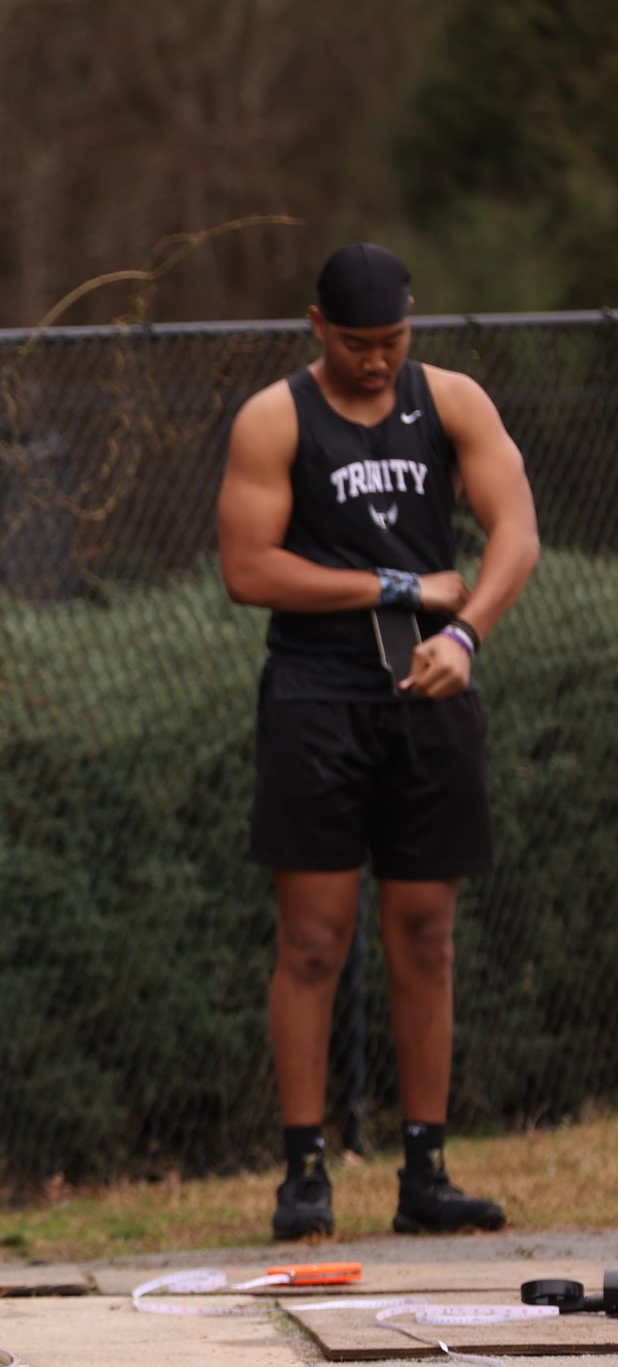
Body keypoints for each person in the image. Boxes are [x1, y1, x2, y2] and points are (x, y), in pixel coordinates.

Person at [217, 242, 538, 1241]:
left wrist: (464, 631)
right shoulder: (276, 418)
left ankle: (424, 1168)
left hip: (427, 693)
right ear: (317, 327)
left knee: (426, 936)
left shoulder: (449, 402)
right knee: (313, 939)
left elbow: (515, 532)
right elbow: (248, 567)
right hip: (316, 695)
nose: (373, 360)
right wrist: (398, 588)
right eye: (355, 343)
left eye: (389, 340)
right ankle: (303, 1169)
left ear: (410, 324)